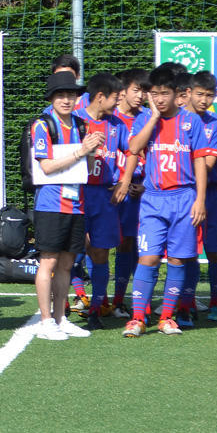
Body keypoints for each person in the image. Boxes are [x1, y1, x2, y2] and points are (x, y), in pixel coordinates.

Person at [118, 65, 212, 337]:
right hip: (153, 200)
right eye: (154, 93)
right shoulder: (145, 118)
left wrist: (200, 200)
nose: (159, 98)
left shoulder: (191, 121)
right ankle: (136, 319)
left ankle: (167, 317)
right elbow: (134, 148)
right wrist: (153, 118)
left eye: (164, 93)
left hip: (184, 198)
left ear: (177, 93)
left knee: (179, 261)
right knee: (148, 258)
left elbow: (199, 163)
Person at [30, 72, 97, 341]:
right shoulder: (43, 125)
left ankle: (60, 318)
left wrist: (92, 152)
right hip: (50, 204)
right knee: (47, 263)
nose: (67, 99)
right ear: (51, 98)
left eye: (71, 94)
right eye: (61, 95)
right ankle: (46, 321)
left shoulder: (82, 126)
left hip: (76, 204)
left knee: (68, 265)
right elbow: (45, 166)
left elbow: (88, 169)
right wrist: (81, 151)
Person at [73, 72, 130, 331]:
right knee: (68, 251)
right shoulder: (76, 121)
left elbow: (131, 152)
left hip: (104, 196)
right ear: (99, 97)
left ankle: (96, 308)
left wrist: (125, 181)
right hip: (78, 193)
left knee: (100, 253)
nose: (119, 103)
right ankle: (65, 302)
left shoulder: (117, 124)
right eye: (116, 98)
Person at [110, 68, 149, 316]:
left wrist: (145, 184)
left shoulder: (147, 117)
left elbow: (154, 155)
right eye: (137, 90)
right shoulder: (110, 118)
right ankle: (101, 299)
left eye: (145, 91)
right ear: (122, 91)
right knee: (99, 243)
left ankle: (126, 300)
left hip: (140, 190)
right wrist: (118, 182)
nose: (141, 96)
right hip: (112, 189)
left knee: (135, 243)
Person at [186, 71, 217, 323]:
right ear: (188, 93)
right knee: (185, 250)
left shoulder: (216, 123)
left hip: (211, 195)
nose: (203, 99)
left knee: (213, 251)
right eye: (200, 94)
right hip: (182, 193)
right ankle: (185, 304)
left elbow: (208, 163)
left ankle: (214, 303)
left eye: (209, 95)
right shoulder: (177, 121)